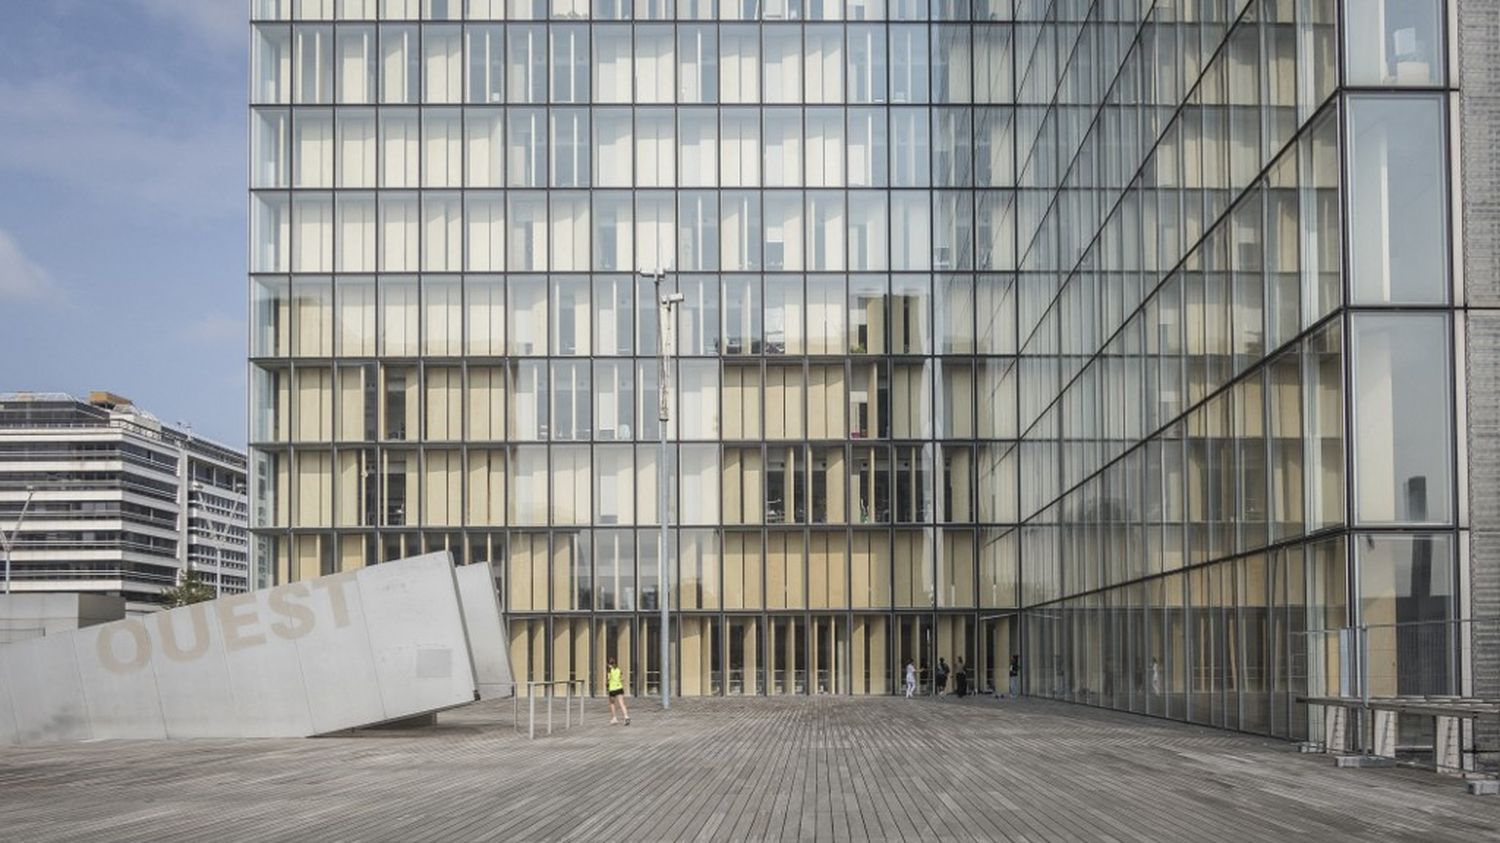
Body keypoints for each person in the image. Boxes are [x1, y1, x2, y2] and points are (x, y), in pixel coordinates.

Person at [606, 656, 630, 725]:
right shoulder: (618, 669)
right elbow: (622, 678)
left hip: (612, 689)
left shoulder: (609, 671)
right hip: (619, 688)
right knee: (622, 703)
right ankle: (626, 716)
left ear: (608, 664)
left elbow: (608, 680)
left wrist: (607, 685)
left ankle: (614, 718)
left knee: (612, 703)